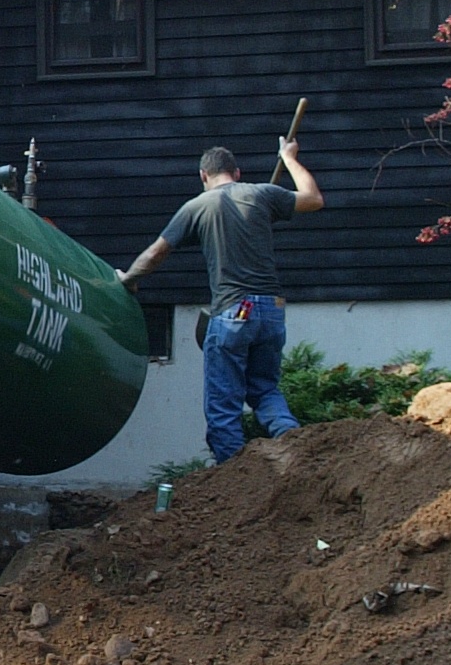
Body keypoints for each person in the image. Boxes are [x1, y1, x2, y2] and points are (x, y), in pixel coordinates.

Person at [117, 139, 323, 461]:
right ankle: (293, 451)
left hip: (233, 311)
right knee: (265, 391)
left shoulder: (197, 206)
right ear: (236, 173)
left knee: (223, 404)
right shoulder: (262, 194)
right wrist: (289, 157)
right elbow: (313, 199)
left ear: (203, 175)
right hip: (272, 309)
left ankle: (232, 480)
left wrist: (128, 280)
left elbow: (156, 253)